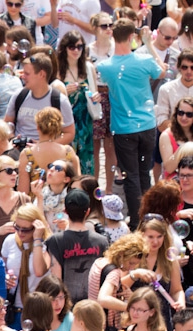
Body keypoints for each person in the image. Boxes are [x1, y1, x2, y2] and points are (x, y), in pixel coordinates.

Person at [97, 20, 168, 229]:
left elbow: (98, 84)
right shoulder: (144, 60)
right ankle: (149, 219)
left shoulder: (105, 67)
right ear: (132, 37)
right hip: (146, 126)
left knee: (131, 176)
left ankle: (138, 222)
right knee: (144, 174)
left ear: (113, 36)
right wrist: (149, 43)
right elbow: (162, 71)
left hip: (124, 130)